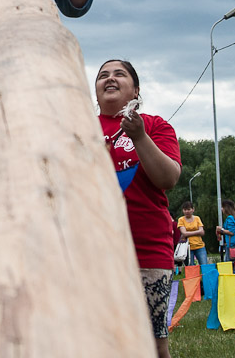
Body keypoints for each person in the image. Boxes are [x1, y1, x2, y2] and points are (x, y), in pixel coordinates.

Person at [96, 59, 180, 358]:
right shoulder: (80, 130)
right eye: (103, 75)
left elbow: (168, 178)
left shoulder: (156, 126)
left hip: (146, 250)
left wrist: (140, 137)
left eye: (119, 74)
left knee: (152, 346)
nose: (110, 78)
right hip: (91, 253)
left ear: (136, 90)